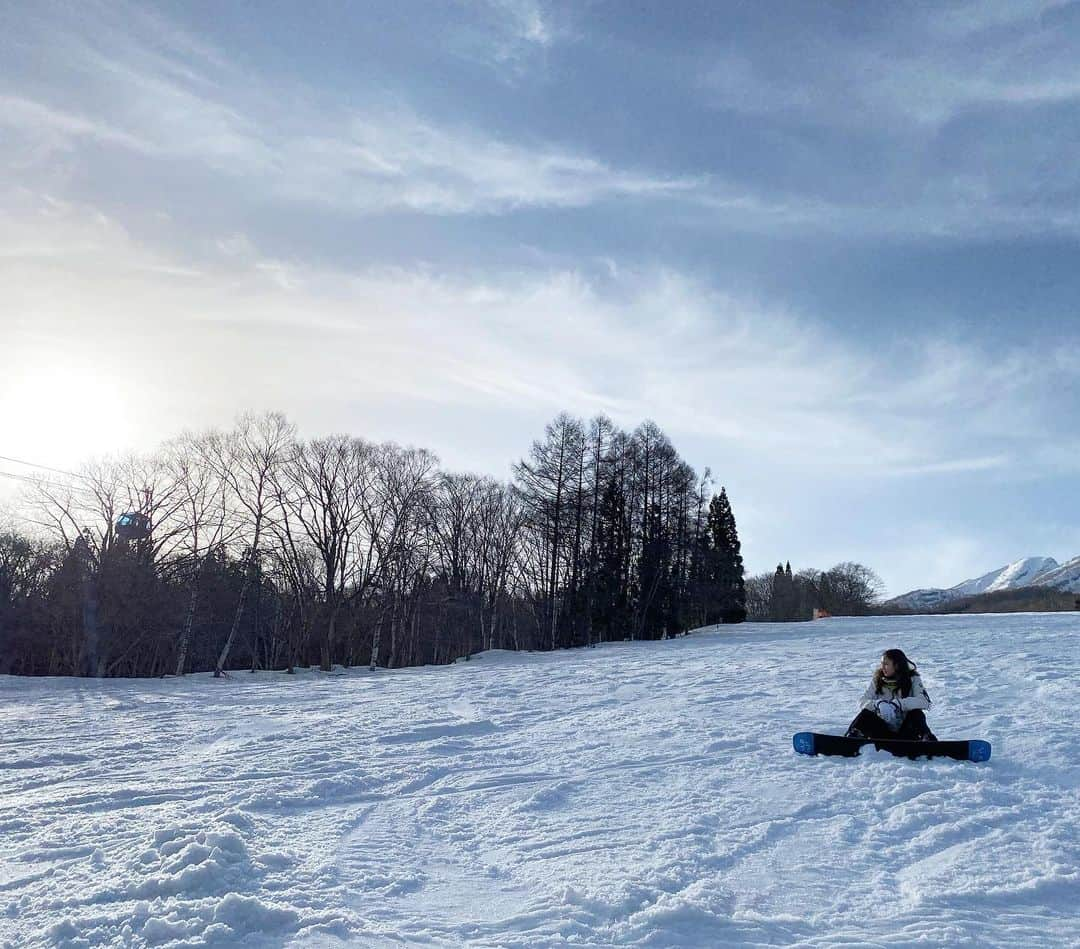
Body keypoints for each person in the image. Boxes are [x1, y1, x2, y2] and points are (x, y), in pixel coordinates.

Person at [844, 648, 937, 741]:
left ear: (897, 665)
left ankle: (928, 740)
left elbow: (924, 701)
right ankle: (850, 739)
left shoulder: (913, 679)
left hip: (906, 733)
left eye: (886, 664)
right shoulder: (877, 680)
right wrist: (878, 704)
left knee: (916, 714)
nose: (883, 667)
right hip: (882, 732)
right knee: (866, 713)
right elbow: (863, 701)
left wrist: (898, 704)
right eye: (882, 664)